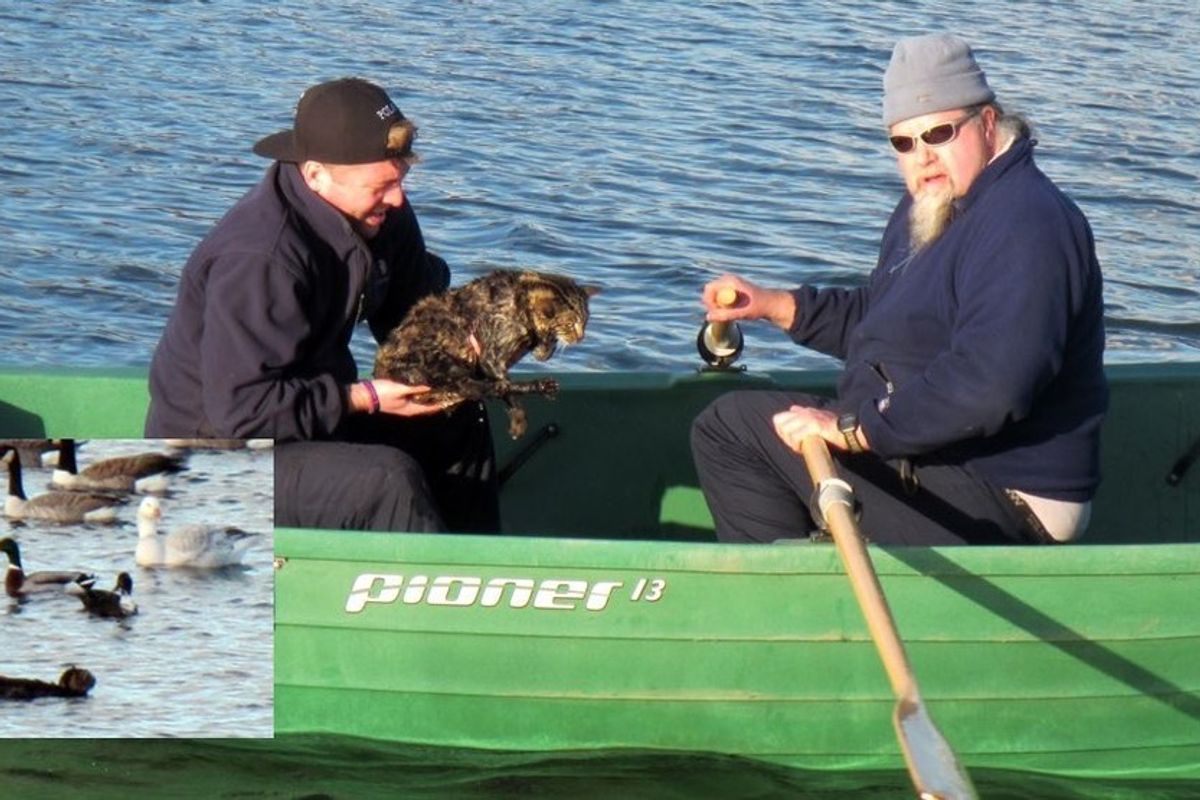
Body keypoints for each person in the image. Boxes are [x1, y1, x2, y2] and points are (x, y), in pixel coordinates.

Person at [691, 33, 1107, 546]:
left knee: (732, 427)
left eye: (939, 134)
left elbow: (991, 386)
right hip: (937, 455)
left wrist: (856, 430)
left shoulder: (1027, 223)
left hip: (1009, 498)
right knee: (764, 422)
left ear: (989, 123)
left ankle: (785, 606)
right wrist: (780, 307)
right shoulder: (937, 205)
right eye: (904, 143)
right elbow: (891, 321)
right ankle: (818, 575)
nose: (923, 157)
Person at [145, 77, 499, 533]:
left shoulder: (380, 212)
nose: (398, 197)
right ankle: (424, 597)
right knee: (385, 481)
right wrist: (364, 397)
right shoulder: (260, 259)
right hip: (214, 454)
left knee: (458, 414)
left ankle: (481, 571)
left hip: (309, 416)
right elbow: (241, 414)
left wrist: (464, 337)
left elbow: (414, 312)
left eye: (401, 177)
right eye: (382, 184)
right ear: (315, 174)